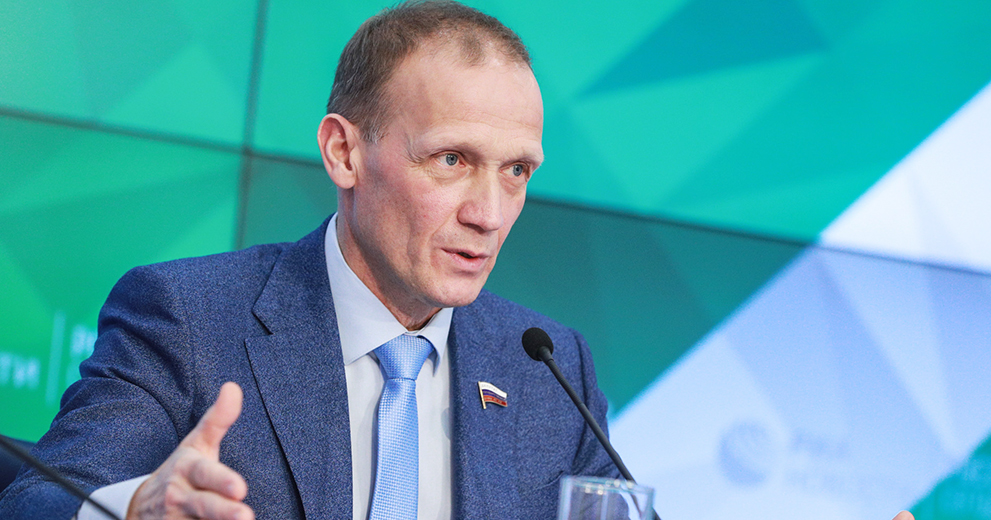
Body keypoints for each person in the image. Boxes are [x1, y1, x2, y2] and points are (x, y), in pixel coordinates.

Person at [0, 2, 617, 519]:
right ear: (344, 153)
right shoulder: (187, 319)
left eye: (517, 171)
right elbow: (40, 500)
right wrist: (136, 508)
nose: (489, 213)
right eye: (451, 160)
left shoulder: (551, 368)